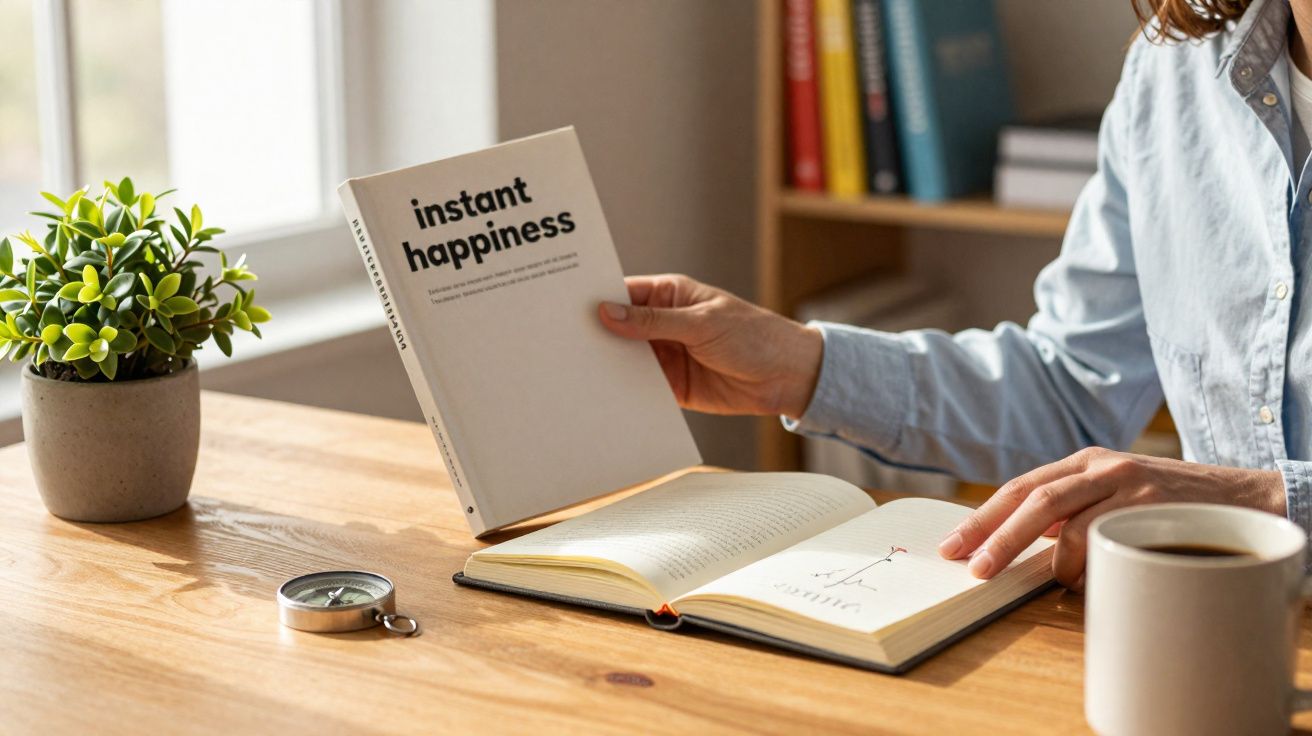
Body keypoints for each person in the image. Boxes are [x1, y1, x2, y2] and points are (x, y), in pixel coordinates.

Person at [598, 0, 1312, 591]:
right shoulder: (1172, 74)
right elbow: (1070, 392)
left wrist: (1261, 501)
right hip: (1211, 634)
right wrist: (798, 366)